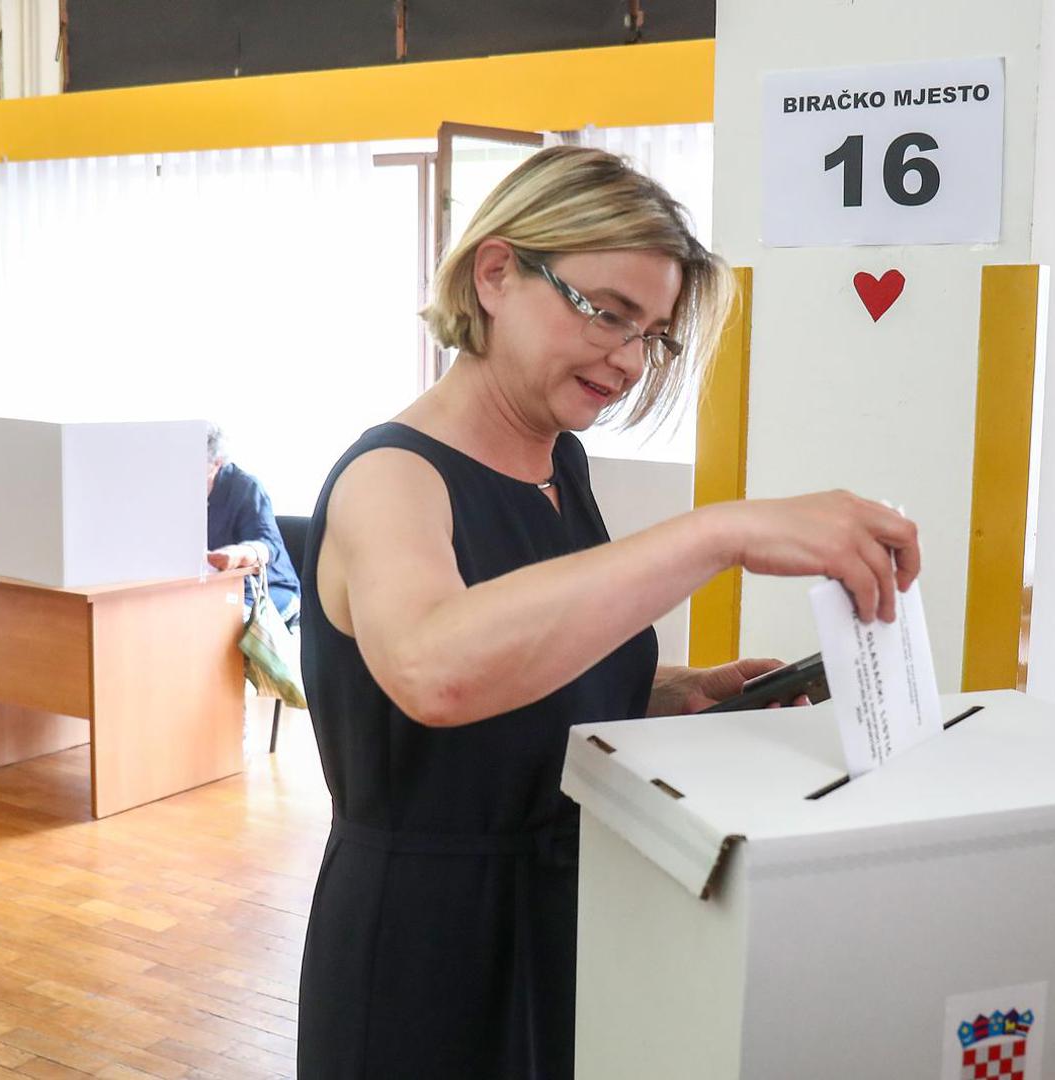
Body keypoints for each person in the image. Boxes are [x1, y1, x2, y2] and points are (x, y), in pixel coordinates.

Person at [295, 147, 921, 1079]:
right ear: (497, 272)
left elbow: (531, 656)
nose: (629, 360)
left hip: (567, 907)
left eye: (653, 335)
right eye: (607, 314)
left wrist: (675, 689)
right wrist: (717, 535)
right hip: (429, 937)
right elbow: (434, 669)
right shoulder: (393, 478)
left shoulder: (557, 465)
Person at [205, 423, 300, 625]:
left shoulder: (245, 487)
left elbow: (268, 544)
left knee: (219, 626)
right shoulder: (176, 493)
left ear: (217, 463)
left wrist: (241, 553)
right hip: (214, 589)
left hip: (267, 588)